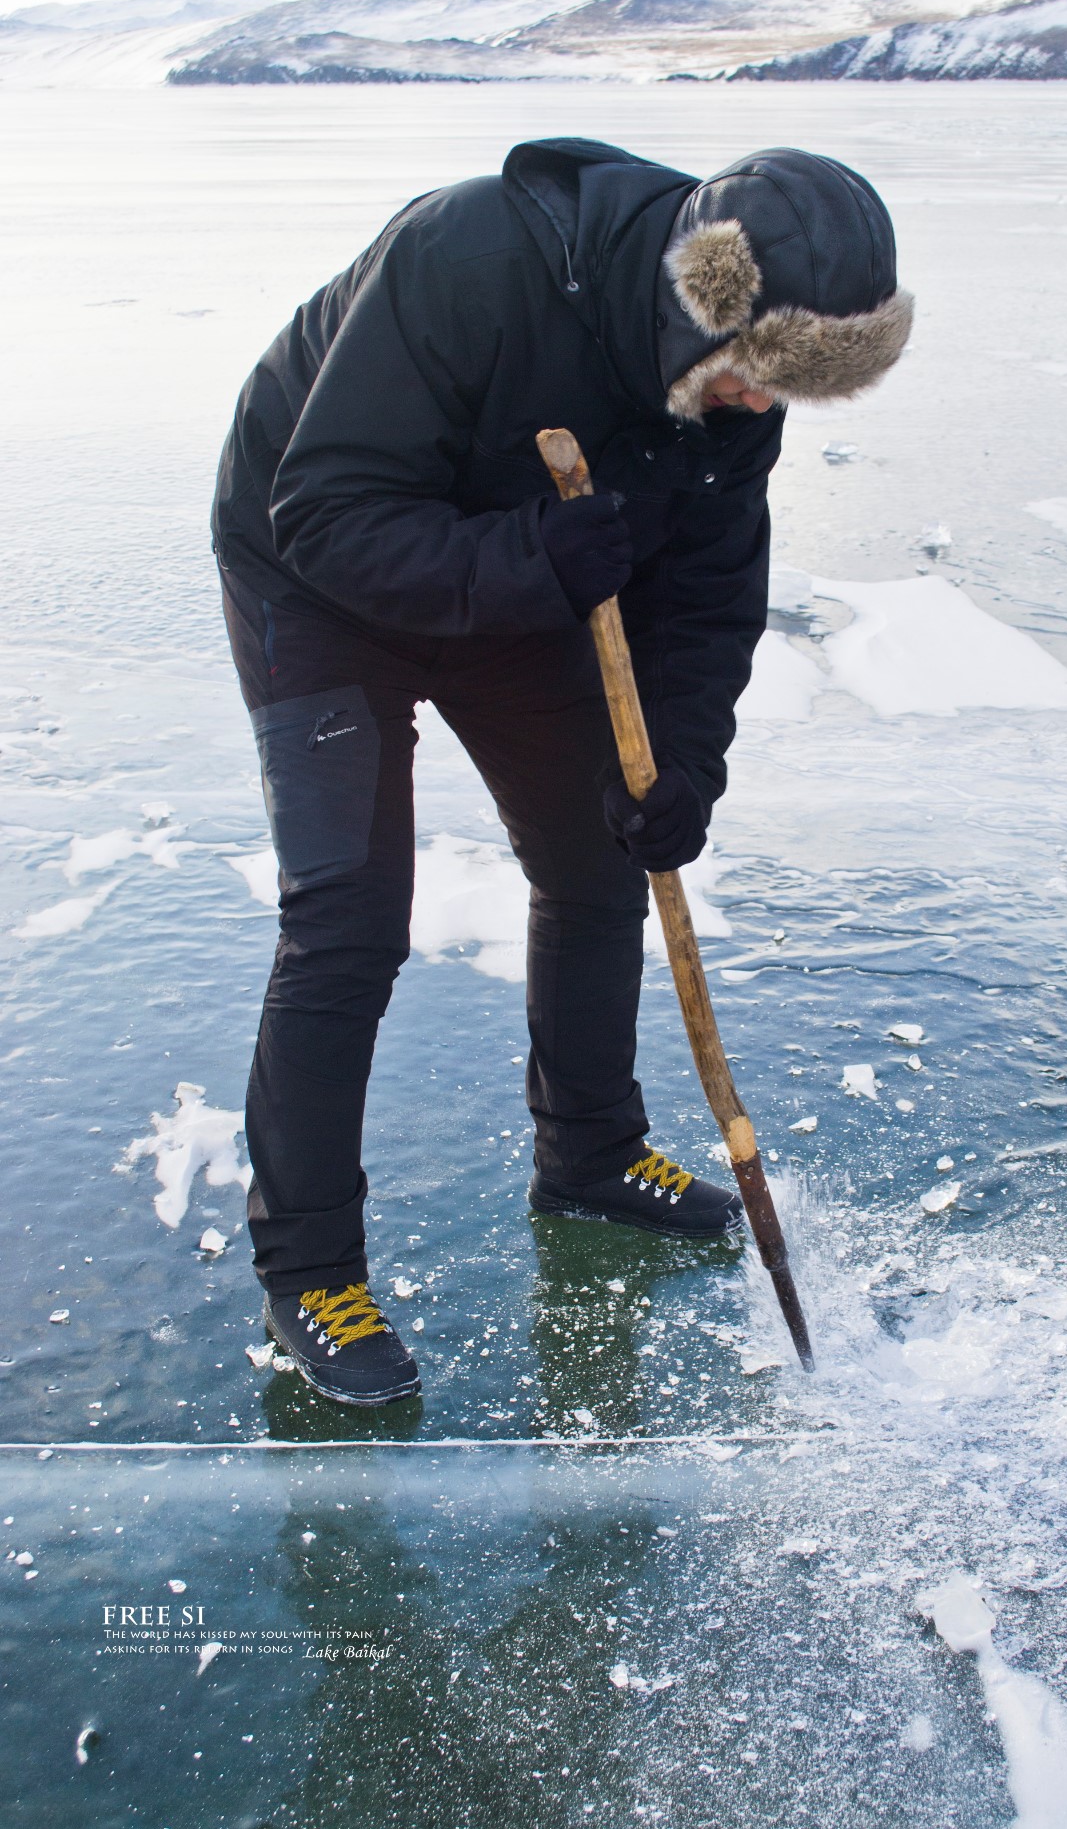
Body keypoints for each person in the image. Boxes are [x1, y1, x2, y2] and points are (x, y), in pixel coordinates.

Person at [213, 136, 913, 1406]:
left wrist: (685, 765)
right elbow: (322, 512)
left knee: (604, 853)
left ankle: (590, 1150)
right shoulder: (466, 258)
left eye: (788, 389)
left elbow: (705, 597)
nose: (762, 407)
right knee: (346, 919)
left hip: (531, 566)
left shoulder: (725, 402)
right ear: (697, 299)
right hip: (312, 574)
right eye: (751, 372)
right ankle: (310, 1265)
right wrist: (536, 559)